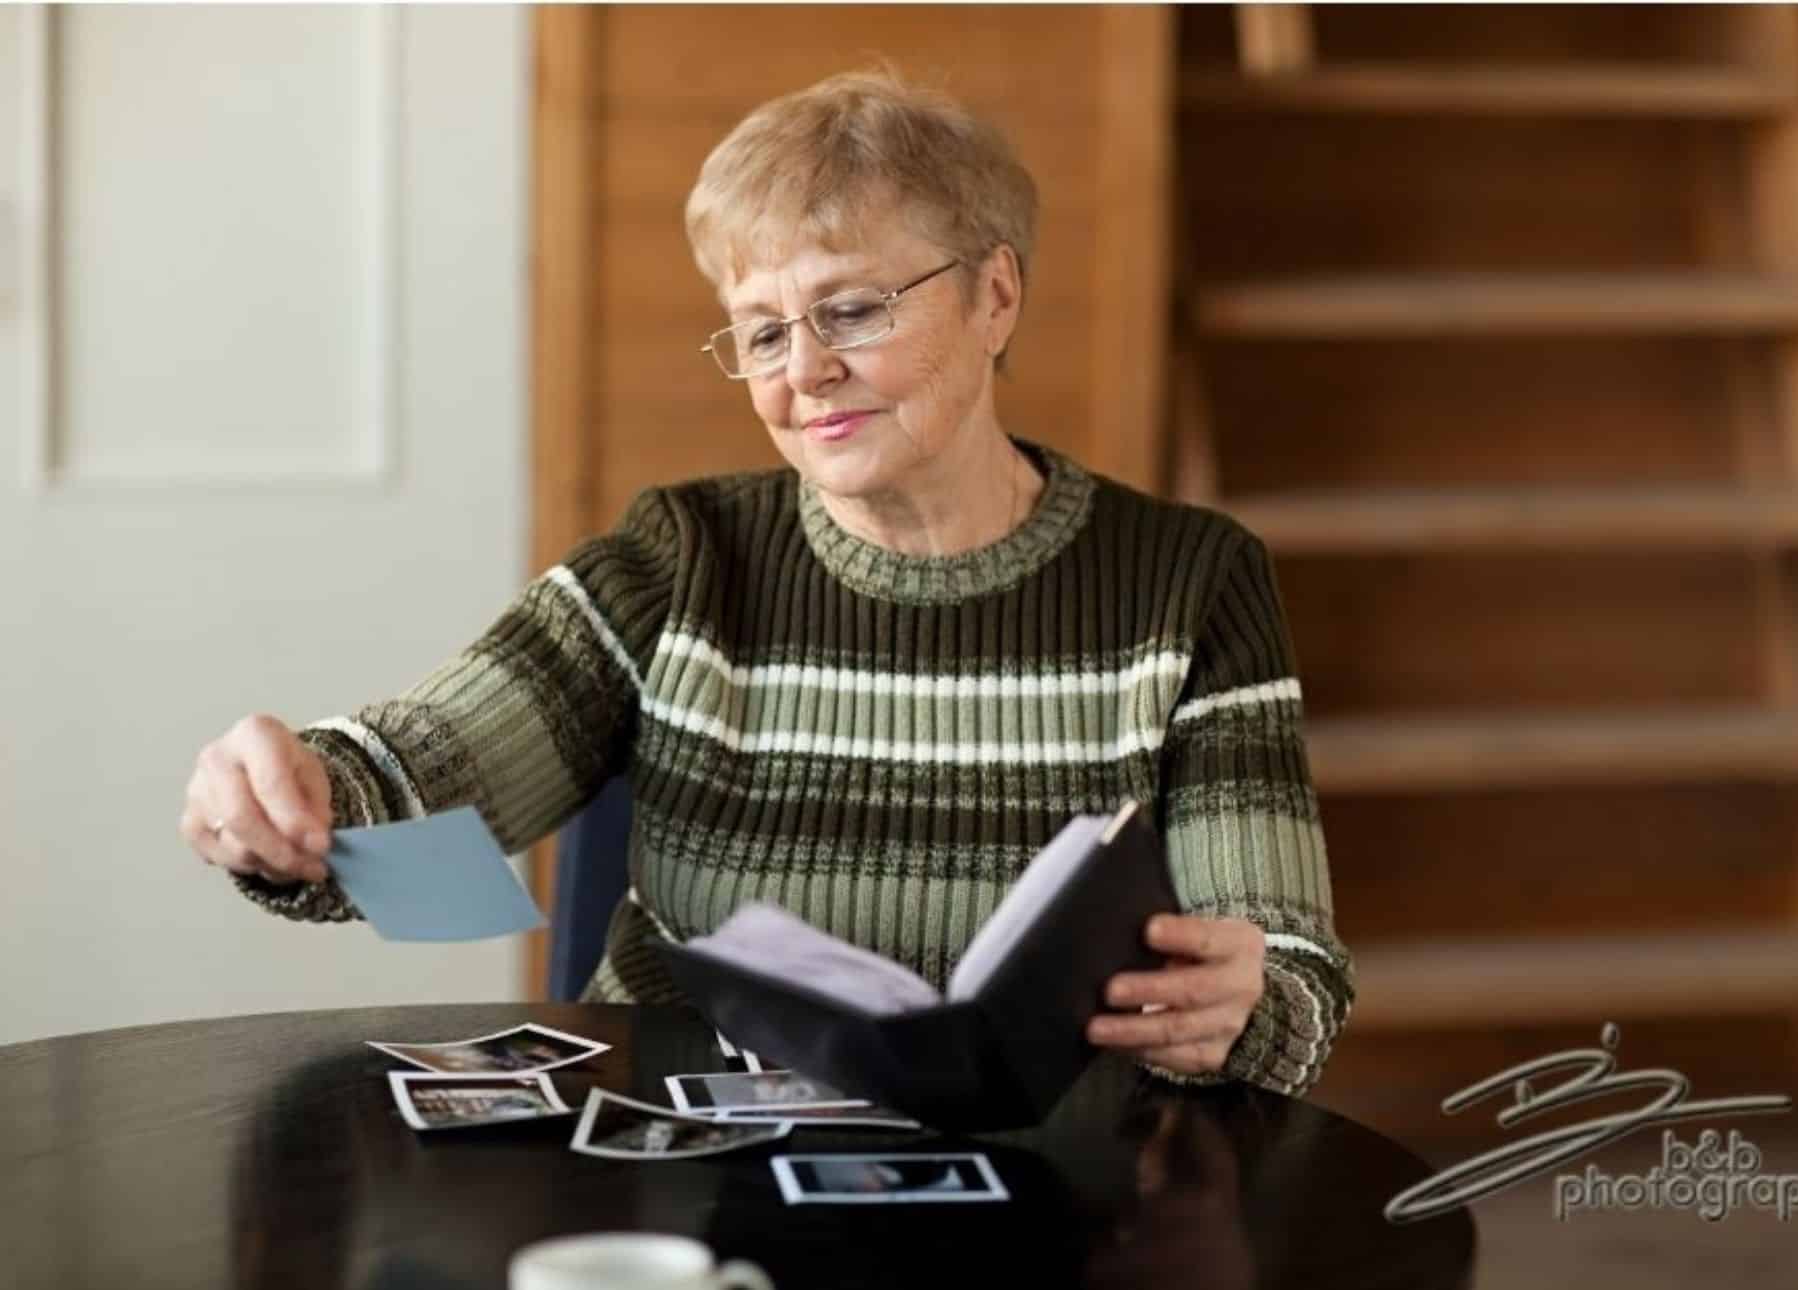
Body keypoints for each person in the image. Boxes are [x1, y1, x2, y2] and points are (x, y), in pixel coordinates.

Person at [178, 70, 1353, 1095]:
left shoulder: (1188, 582)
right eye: (761, 332)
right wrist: (299, 796)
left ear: (996, 295)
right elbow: (430, 766)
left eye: (850, 308)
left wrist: (1242, 1008)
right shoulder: (680, 558)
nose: (808, 372)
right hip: (687, 1171)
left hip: (1046, 1183)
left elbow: (1289, 968)